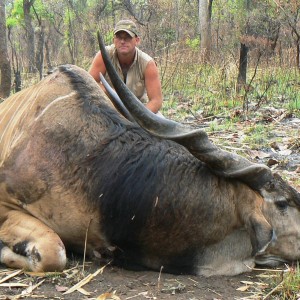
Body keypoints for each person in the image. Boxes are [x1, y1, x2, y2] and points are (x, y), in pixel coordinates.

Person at [89, 19, 163, 114]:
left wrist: (141, 117)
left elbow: (156, 100)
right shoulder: (103, 56)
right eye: (119, 37)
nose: (123, 41)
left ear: (137, 40)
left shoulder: (148, 63)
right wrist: (111, 92)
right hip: (109, 109)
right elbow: (89, 83)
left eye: (128, 37)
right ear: (113, 40)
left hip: (138, 111)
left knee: (164, 125)